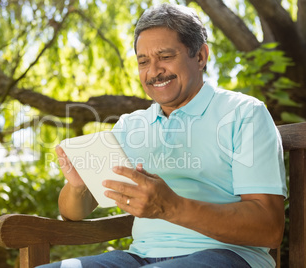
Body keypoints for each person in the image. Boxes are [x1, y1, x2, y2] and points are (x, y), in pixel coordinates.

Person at [39, 3, 287, 268]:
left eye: (165, 56)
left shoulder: (243, 113)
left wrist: (170, 206)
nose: (153, 71)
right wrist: (79, 187)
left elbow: (269, 228)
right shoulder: (129, 126)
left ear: (201, 56)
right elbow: (72, 212)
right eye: (143, 61)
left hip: (227, 256)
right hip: (138, 259)